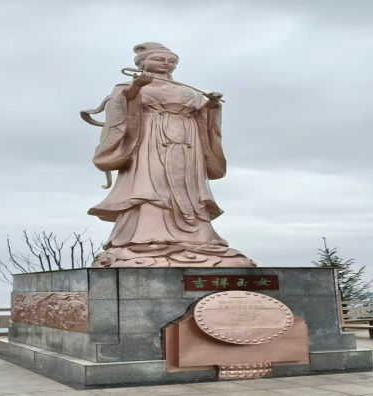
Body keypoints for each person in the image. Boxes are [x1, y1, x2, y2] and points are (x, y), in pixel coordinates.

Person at [83, 42, 255, 267]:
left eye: (172, 61)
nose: (166, 64)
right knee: (151, 184)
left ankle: (199, 238)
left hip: (188, 142)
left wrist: (212, 105)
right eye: (159, 59)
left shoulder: (188, 90)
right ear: (141, 63)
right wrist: (135, 89)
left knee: (189, 186)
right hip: (150, 140)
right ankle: (145, 236)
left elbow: (204, 116)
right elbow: (119, 108)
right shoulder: (127, 86)